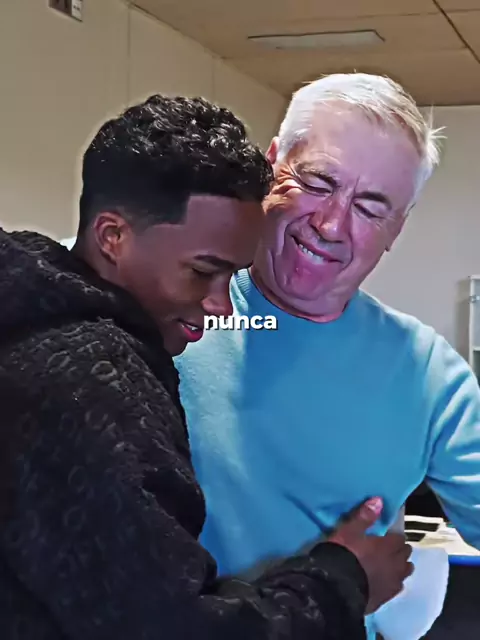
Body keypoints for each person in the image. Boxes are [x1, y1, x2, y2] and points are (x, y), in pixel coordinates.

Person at [0, 94, 413, 640]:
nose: (221, 305)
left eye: (232, 275)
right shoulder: (89, 379)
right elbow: (173, 629)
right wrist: (345, 579)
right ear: (112, 237)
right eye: (201, 271)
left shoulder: (29, 319)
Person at [175, 74, 480, 639]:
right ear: (271, 166)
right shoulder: (160, 301)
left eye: (370, 207)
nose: (332, 225)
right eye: (318, 182)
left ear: (397, 228)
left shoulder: (429, 376)